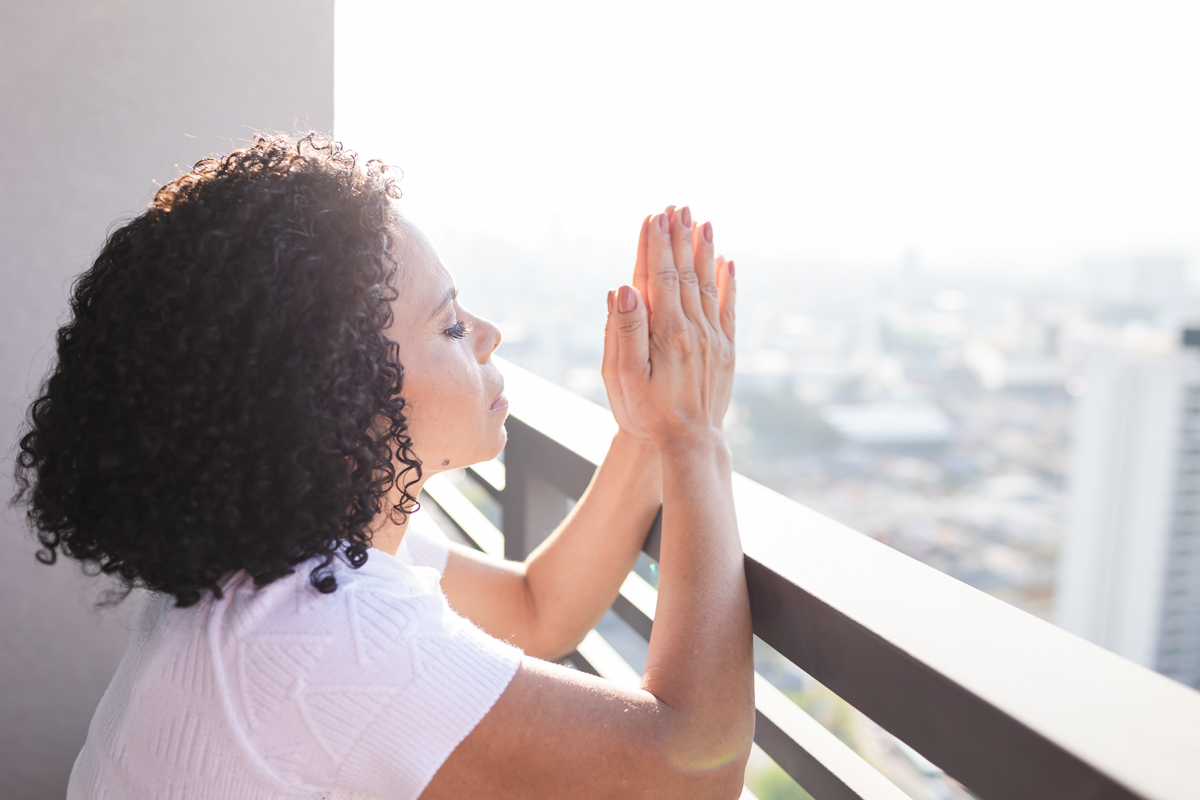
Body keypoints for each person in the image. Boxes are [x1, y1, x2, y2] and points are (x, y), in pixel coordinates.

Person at [14, 132, 752, 799]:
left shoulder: (279, 559)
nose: (489, 336)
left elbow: (538, 609)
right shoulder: (322, 634)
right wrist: (694, 438)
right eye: (451, 325)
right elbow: (692, 768)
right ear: (340, 395)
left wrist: (648, 431)